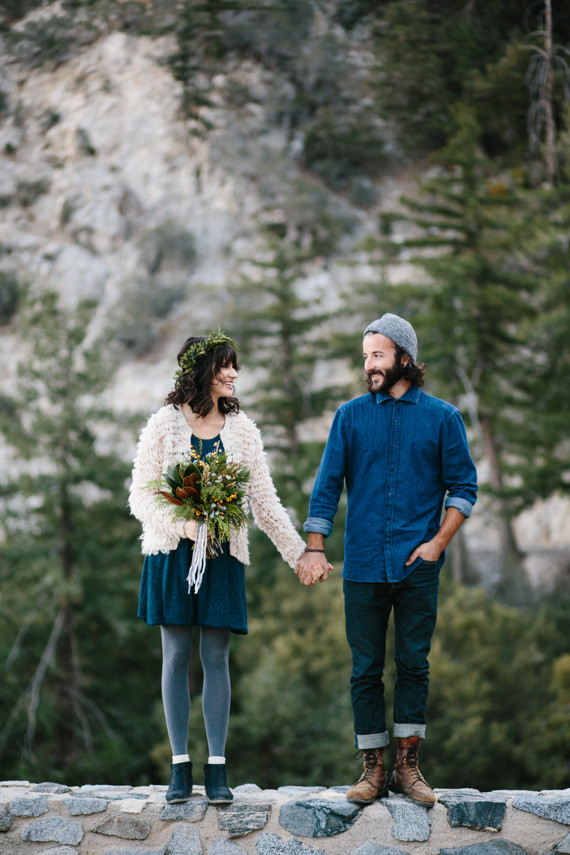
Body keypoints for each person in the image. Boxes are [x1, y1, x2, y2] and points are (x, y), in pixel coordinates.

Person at [295, 313, 478, 807]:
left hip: (419, 566)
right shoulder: (350, 416)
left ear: (404, 357)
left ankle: (408, 766)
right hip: (362, 567)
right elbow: (327, 486)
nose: (369, 365)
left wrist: (438, 543)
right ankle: (372, 770)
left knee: (414, 665)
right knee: (365, 670)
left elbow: (464, 488)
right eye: (365, 357)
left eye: (377, 355)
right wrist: (314, 546)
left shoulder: (443, 418)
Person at [129, 330, 308, 805]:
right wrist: (184, 526)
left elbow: (264, 503)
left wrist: (299, 555)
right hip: (172, 555)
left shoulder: (244, 430)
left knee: (216, 659)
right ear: (201, 370)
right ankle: (179, 767)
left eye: (235, 366)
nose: (233, 374)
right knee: (174, 659)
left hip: (223, 558)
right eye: (225, 365)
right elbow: (142, 495)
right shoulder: (163, 425)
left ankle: (218, 768)